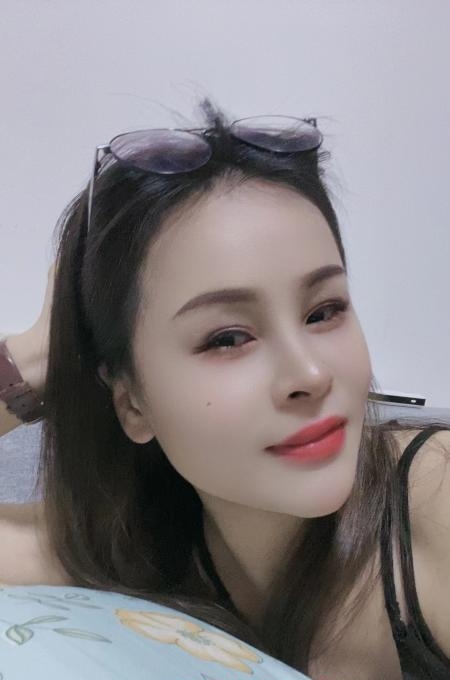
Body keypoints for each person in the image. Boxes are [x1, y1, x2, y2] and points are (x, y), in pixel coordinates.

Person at [0, 98, 449, 680]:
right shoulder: (134, 553)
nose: (311, 375)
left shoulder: (435, 497)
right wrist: (39, 356)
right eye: (228, 338)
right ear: (133, 403)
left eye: (324, 311)